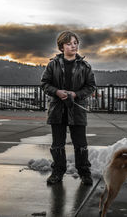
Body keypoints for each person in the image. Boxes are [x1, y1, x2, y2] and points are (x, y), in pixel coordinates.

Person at [41, 31, 96, 185]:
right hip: (57, 111)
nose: (73, 46)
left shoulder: (85, 66)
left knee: (81, 144)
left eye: (75, 43)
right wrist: (57, 92)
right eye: (69, 43)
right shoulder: (53, 64)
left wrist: (76, 94)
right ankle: (57, 172)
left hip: (77, 111)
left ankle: (85, 172)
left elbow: (91, 87)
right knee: (57, 144)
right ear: (61, 47)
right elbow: (45, 84)